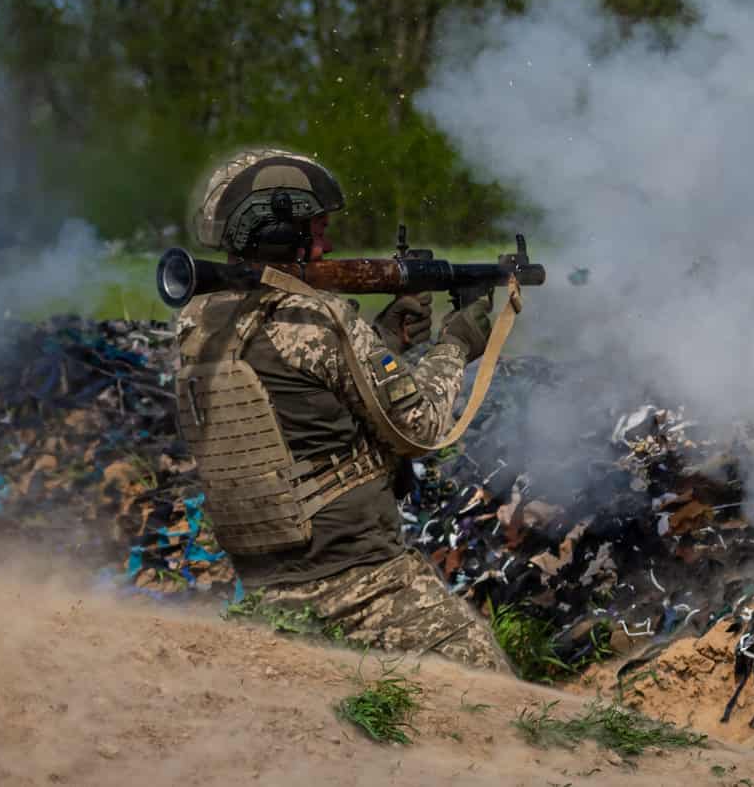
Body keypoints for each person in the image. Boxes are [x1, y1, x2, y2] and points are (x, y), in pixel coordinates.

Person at [173, 147, 510, 671]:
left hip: (267, 590)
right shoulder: (319, 318)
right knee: (495, 704)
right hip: (363, 585)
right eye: (318, 229)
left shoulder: (199, 321)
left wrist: (380, 343)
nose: (327, 245)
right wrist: (455, 345)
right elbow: (420, 429)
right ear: (280, 234)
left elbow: (294, 395)